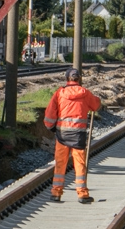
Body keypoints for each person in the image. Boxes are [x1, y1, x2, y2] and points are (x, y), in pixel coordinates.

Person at [43, 68, 101, 204]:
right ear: (78, 79)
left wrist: (50, 126)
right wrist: (97, 100)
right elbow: (96, 105)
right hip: (78, 135)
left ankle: (56, 193)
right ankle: (82, 194)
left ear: (67, 79)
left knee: (60, 163)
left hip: (62, 135)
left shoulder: (60, 93)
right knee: (80, 163)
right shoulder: (85, 93)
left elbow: (50, 113)